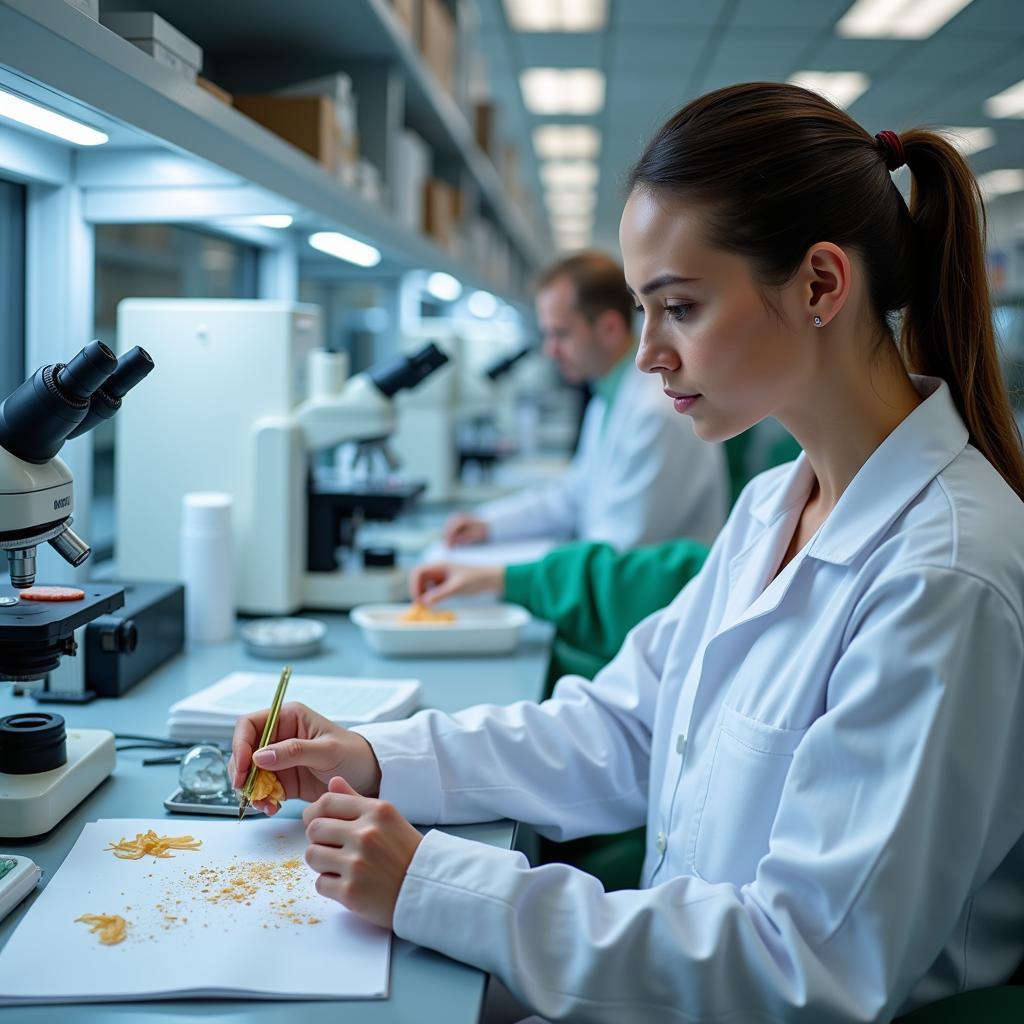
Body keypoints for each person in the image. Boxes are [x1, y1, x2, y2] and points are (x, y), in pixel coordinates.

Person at [231, 83, 1024, 1022]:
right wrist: (372, 756)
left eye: (679, 307)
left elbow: (805, 963)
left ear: (820, 284)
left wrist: (433, 881)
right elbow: (627, 725)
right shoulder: (779, 501)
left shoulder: (943, 577)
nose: (648, 356)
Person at [442, 252, 728, 551]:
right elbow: (574, 494)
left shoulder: (655, 414)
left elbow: (618, 551)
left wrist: (504, 577)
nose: (550, 351)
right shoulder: (608, 396)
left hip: (652, 595)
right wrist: (488, 524)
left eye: (560, 334)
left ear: (609, 329)